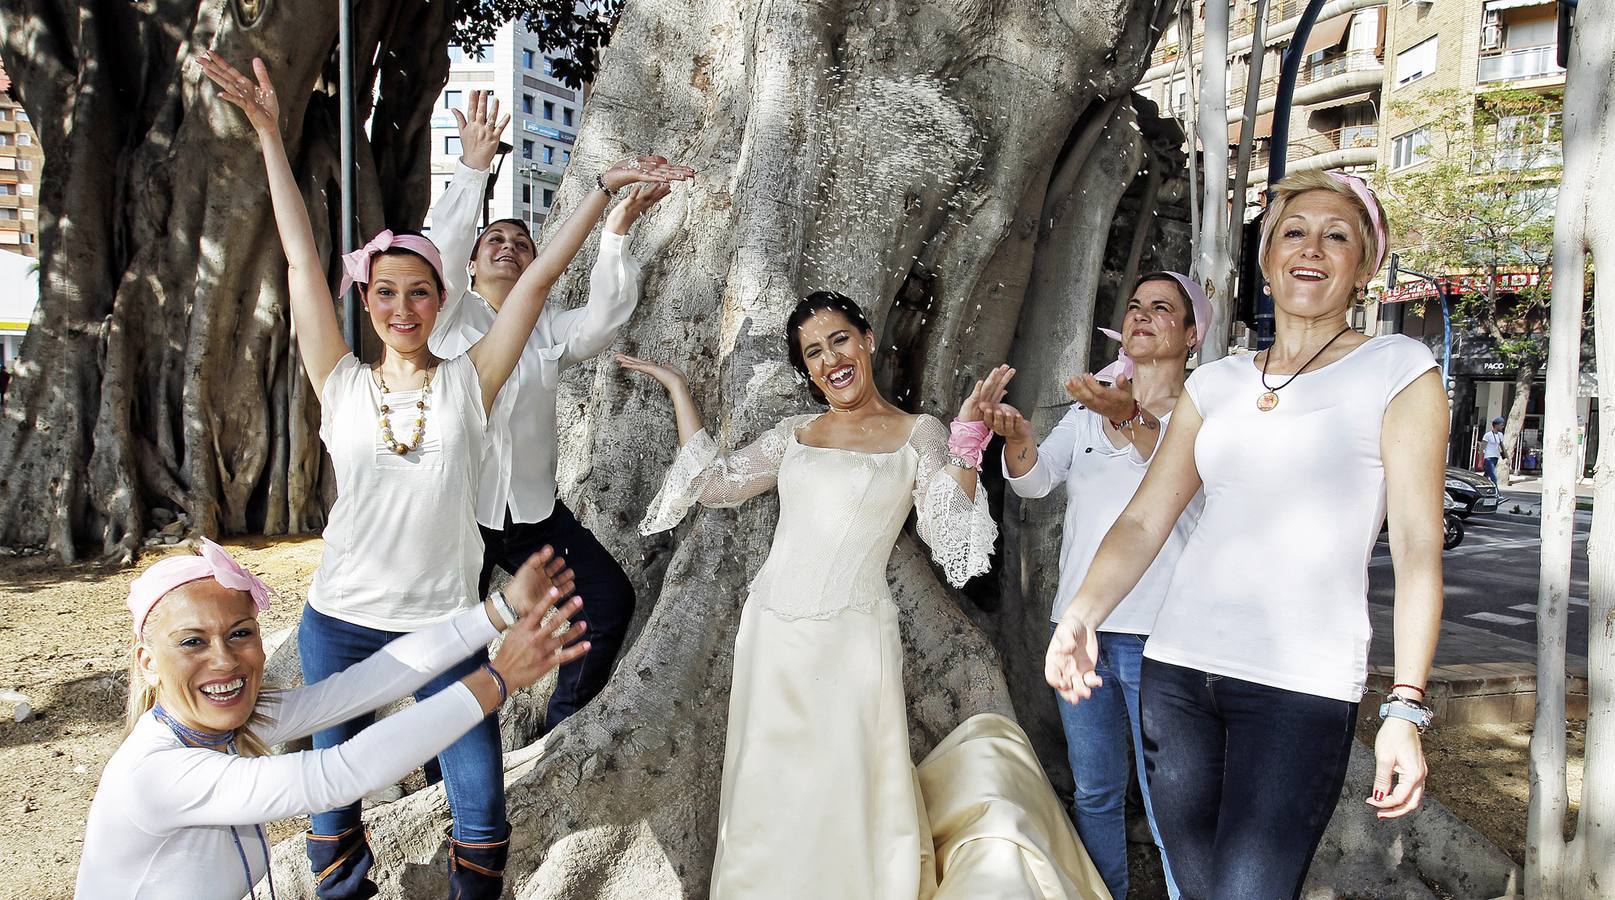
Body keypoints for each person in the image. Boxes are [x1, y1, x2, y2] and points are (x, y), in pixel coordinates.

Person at [197, 53, 686, 898]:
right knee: (332, 804)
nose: (400, 308)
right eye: (384, 293)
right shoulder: (339, 380)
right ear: (369, 302)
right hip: (339, 625)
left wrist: (602, 190)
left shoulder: (470, 380)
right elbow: (298, 255)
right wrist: (272, 137)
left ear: (440, 299)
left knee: (480, 807)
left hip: (443, 632)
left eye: (419, 293)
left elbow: (536, 282)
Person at [623, 291, 1109, 899]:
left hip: (853, 640)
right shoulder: (793, 433)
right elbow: (716, 484)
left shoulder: (916, 433)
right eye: (814, 353)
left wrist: (967, 440)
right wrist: (677, 390)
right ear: (807, 369)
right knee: (769, 783)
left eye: (839, 340)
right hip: (771, 635)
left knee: (846, 784)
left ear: (868, 339)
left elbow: (949, 528)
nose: (830, 359)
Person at [1047, 169, 1446, 899]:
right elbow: (1143, 518)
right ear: (1265, 258)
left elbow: (1417, 550)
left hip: (1299, 686)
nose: (1312, 248)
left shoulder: (1397, 369)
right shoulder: (1216, 383)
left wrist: (1403, 706)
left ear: (1364, 266)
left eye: (1337, 236)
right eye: (1293, 232)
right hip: (1177, 676)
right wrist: (1079, 617)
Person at [76, 538, 588, 900]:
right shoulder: (156, 774)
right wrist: (496, 680)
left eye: (239, 633)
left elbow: (368, 683)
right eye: (192, 642)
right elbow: (339, 775)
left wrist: (497, 611)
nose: (225, 661)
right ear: (147, 663)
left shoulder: (222, 725)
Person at [428, 91, 687, 734]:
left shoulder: (545, 326)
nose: (509, 246)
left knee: (606, 599)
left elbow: (602, 319)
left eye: (522, 240)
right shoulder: (445, 319)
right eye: (496, 238)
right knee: (450, 643)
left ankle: (558, 729)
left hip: (533, 512)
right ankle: (443, 757)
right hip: (458, 510)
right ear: (469, 260)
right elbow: (446, 240)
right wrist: (473, 168)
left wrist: (617, 230)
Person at [987, 271, 1211, 900]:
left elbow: (1175, 477)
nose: (1141, 316)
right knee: (1095, 790)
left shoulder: (1203, 418)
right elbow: (1033, 483)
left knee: (1173, 799)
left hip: (1161, 640)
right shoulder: (1090, 417)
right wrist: (1020, 441)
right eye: (1135, 306)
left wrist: (1134, 416)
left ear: (1192, 336)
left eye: (1161, 309)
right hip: (1079, 633)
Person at [1481, 415, 1505, 486]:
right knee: (1493, 477)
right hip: (1488, 458)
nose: (1502, 427)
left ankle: (1480, 486)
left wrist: (1505, 456)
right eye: (1501, 425)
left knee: (1486, 475)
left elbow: (1501, 446)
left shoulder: (1500, 435)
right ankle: (1496, 493)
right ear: (1496, 425)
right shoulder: (1487, 435)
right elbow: (1482, 448)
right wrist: (1480, 461)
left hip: (1496, 457)